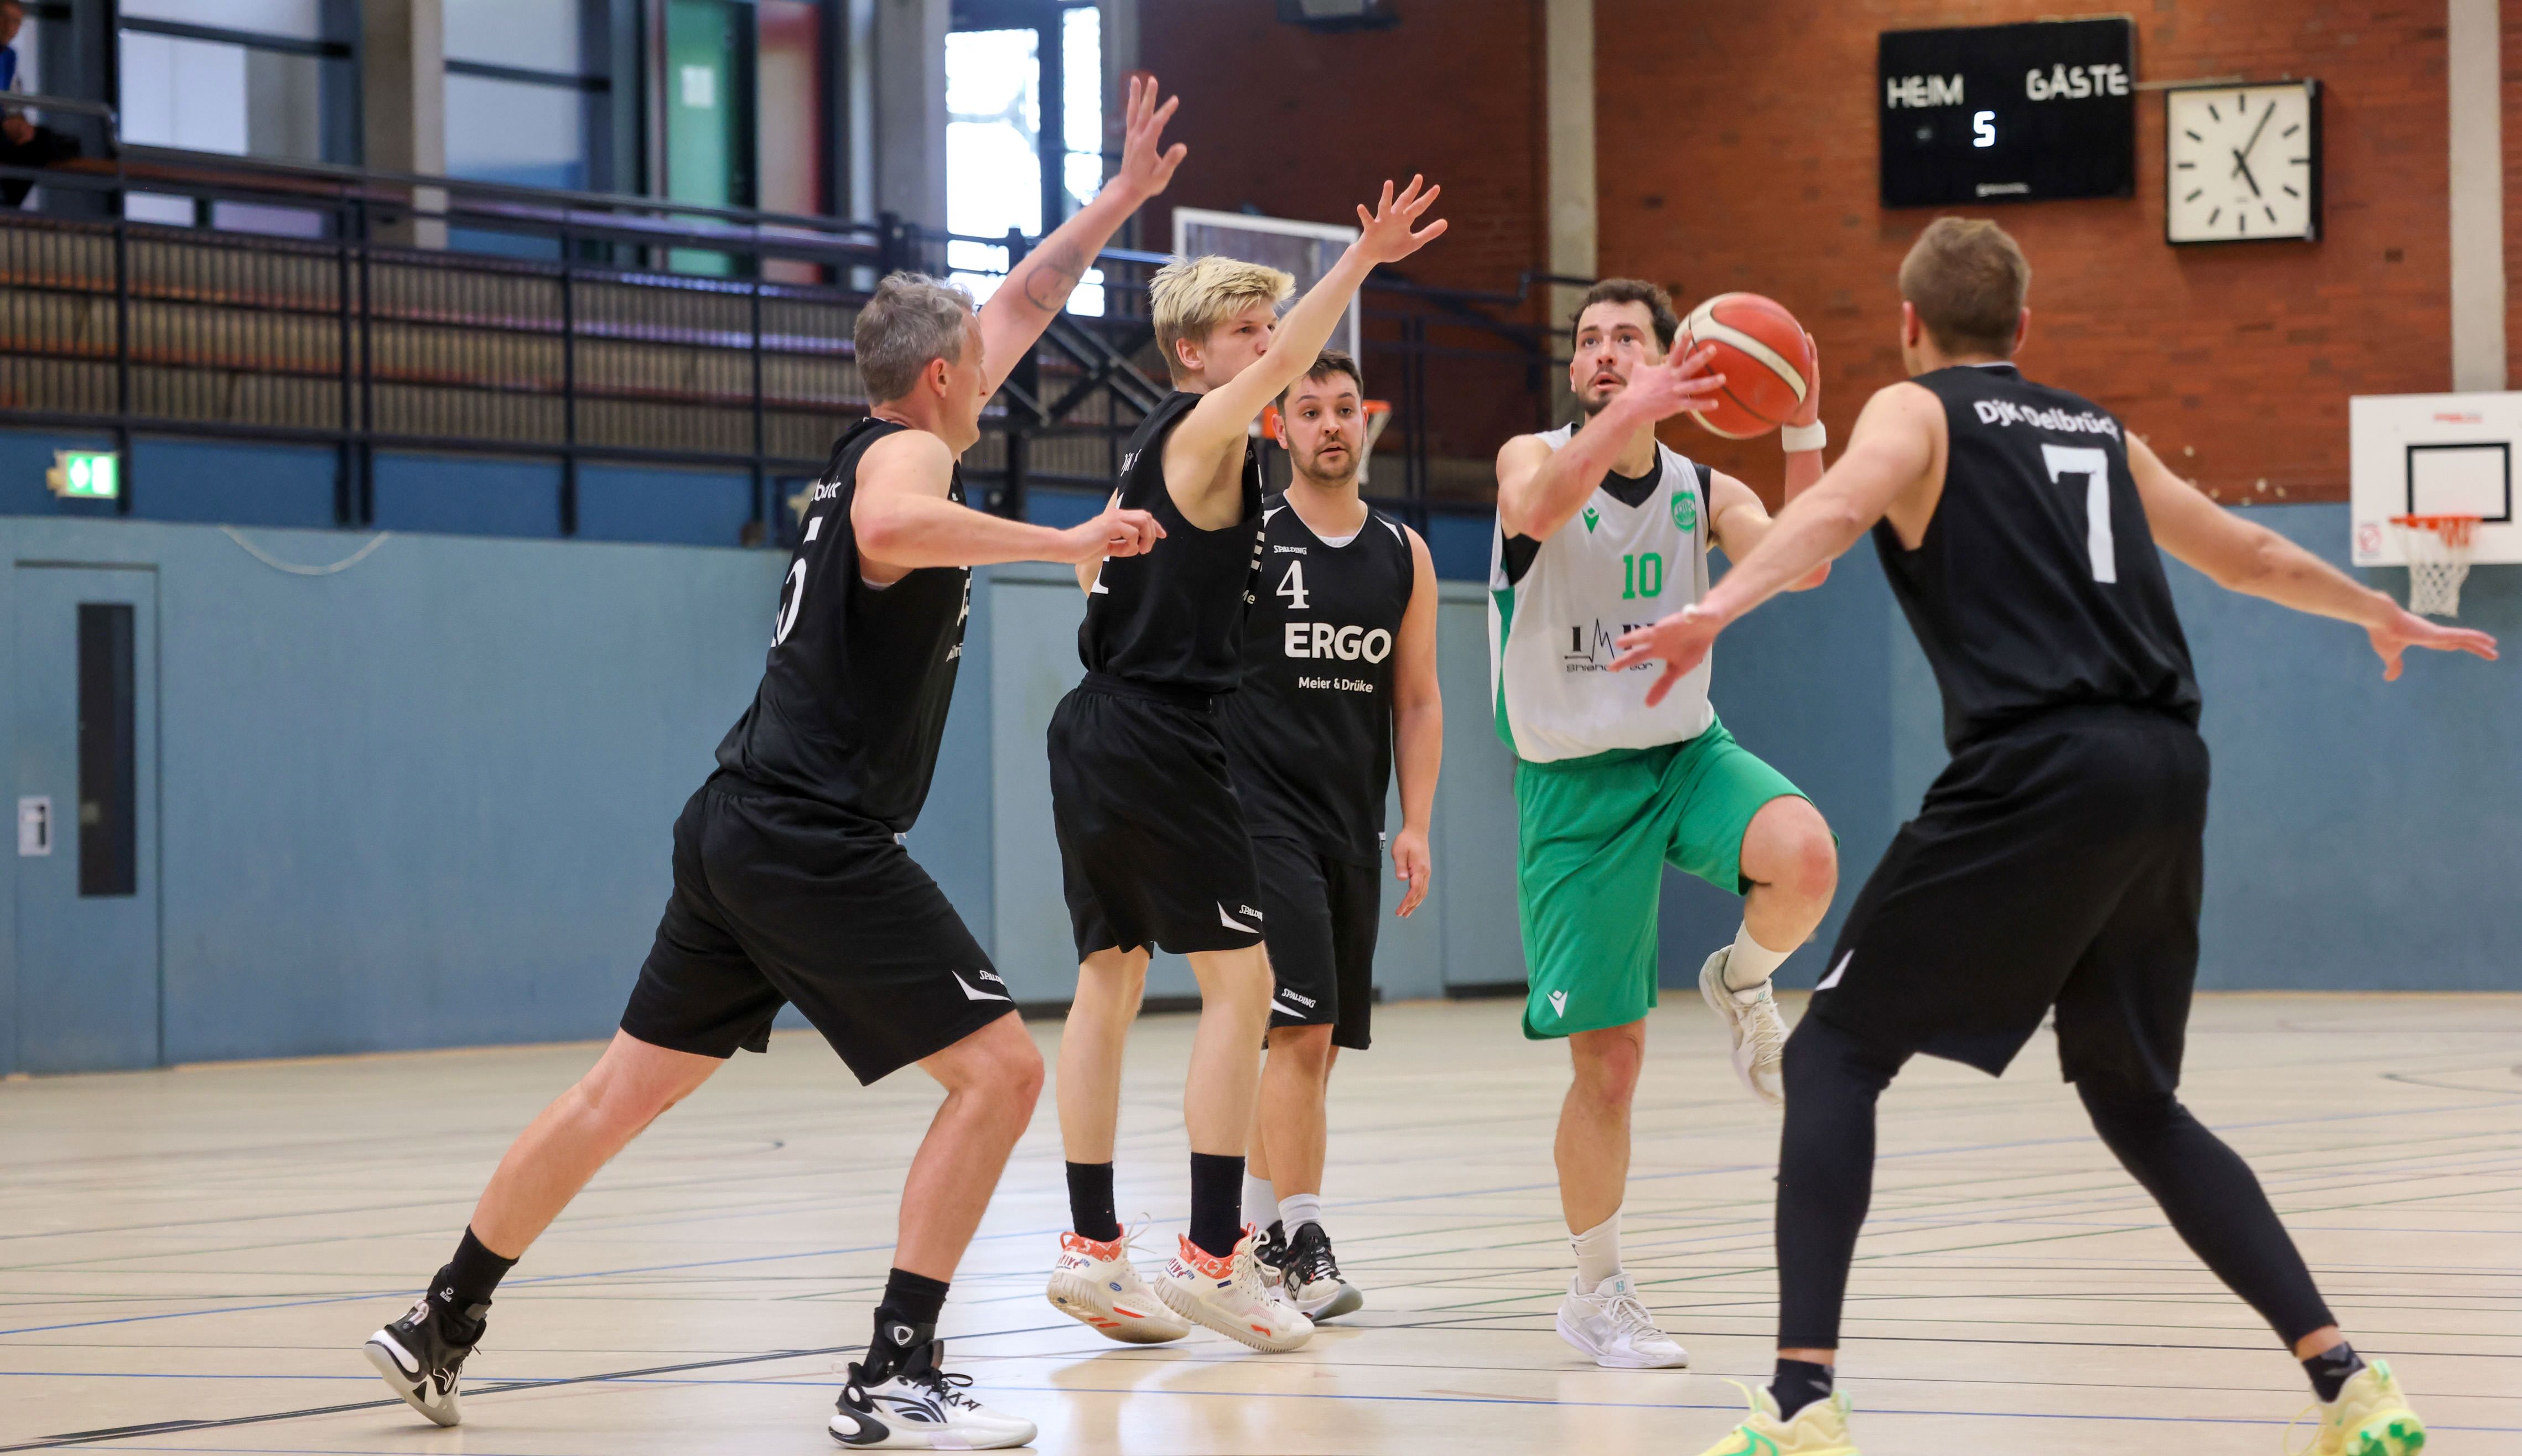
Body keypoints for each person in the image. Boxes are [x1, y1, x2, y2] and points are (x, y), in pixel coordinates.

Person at [359, 79, 1192, 1452]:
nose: (995, 374)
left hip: (735, 826)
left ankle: (440, 1315)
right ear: (942, 379)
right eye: (978, 366)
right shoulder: (906, 460)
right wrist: (1064, 543)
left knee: (619, 1092)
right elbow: (891, 534)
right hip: (810, 835)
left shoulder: (881, 431)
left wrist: (1116, 200)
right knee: (1000, 1075)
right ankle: (894, 1369)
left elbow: (1028, 298)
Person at [1612, 218, 2495, 1456]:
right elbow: (2243, 552)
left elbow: (1834, 513)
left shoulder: (1912, 412)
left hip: (2038, 765)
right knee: (2135, 1098)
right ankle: (2348, 1381)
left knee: (1834, 1054)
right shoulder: (2098, 430)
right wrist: (2374, 612)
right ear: (2021, 327)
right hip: (2163, 768)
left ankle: (1803, 1402)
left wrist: (1712, 606)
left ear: (1907, 326)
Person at [1043, 179, 1446, 1354]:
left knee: (1107, 981)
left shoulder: (1150, 452)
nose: (1271, 348)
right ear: (1192, 352)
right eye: (1249, 333)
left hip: (1094, 722)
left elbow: (1089, 570)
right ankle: (1216, 1256)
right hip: (1164, 730)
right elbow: (1289, 366)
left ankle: (1091, 1246)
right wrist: (1359, 259)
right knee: (1244, 988)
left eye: (1271, 326)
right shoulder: (1206, 426)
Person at [1490, 279, 1841, 1369]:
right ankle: (1594, 1292)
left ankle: (1740, 978)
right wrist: (1630, 410)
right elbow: (1536, 510)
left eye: (1626, 339)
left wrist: (1802, 426)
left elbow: (1806, 561)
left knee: (1803, 855)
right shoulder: (1527, 454)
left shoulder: (1702, 485)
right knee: (1608, 1066)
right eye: (1588, 340)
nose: (1602, 352)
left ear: (1677, 358)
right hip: (1573, 790)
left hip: (1684, 753)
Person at [1219, 351, 1442, 1320]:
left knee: (1312, 1050)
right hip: (1256, 816)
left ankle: (1253, 1236)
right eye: (1308, 410)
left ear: (1365, 420)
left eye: (1343, 408)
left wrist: (1417, 821)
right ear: (1280, 428)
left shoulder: (1402, 551)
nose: (1329, 425)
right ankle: (1305, 1242)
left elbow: (1418, 699)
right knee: (1300, 1027)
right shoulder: (1250, 538)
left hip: (1350, 820)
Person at [0, 0, 81, 209]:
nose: (9, 27)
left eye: (16, 22)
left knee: (43, 141)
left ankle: (8, 206)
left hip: (5, 132)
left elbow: (15, 104)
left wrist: (21, 124)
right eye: (4, 18)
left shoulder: (9, 58)